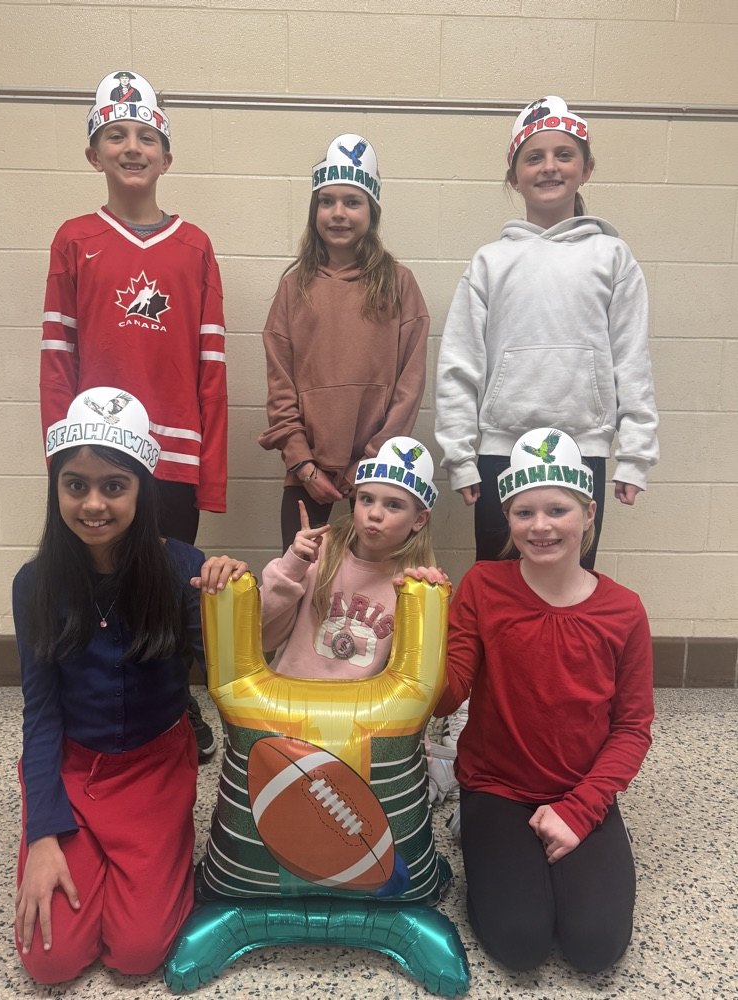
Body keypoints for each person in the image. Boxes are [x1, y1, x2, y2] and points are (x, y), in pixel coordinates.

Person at [434, 95, 659, 750]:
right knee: (495, 598)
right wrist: (460, 454)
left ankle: (555, 720)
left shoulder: (613, 260)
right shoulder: (490, 263)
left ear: (586, 169)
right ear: (515, 174)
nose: (550, 166)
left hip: (581, 455)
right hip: (500, 455)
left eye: (564, 155)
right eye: (534, 157)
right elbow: (459, 365)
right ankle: (476, 724)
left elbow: (632, 361)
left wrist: (634, 453)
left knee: (566, 598)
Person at [39, 69, 227, 759]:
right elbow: (57, 352)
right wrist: (63, 453)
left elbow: (212, 367)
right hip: (95, 455)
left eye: (146, 135)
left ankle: (174, 703)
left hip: (171, 457)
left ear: (167, 154)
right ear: (94, 153)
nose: (131, 147)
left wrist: (210, 475)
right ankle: (93, 703)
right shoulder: (72, 239)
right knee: (100, 583)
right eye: (115, 135)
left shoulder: (194, 245)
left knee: (165, 587)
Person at [434, 427, 654, 974]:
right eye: (523, 512)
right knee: (520, 944)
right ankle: (482, 833)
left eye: (557, 509)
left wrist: (581, 810)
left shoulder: (624, 611)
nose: (540, 527)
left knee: (595, 946)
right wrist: (415, 618)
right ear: (506, 519)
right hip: (496, 785)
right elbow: (445, 698)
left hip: (581, 788)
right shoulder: (483, 586)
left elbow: (632, 729)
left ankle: (572, 837)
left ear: (588, 512)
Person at [13, 387, 207, 985]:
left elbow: (232, 672)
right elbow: (40, 713)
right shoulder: (35, 583)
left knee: (138, 952)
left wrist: (242, 597)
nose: (93, 504)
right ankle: (83, 852)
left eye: (113, 487)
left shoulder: (182, 567)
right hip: (74, 771)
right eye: (76, 485)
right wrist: (42, 831)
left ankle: (131, 865)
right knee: (51, 961)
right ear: (57, 490)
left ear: (142, 492)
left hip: (153, 771)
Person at [257, 133, 429, 552]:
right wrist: (304, 463)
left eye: (352, 202)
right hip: (305, 474)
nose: (338, 213)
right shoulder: (293, 288)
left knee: (367, 596)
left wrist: (368, 464)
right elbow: (280, 389)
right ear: (314, 209)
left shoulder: (399, 284)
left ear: (371, 211)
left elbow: (409, 386)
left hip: (376, 481)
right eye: (326, 201)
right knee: (300, 588)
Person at [198, 437, 444, 678]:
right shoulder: (321, 551)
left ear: (419, 519)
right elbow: (264, 636)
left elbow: (417, 678)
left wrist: (429, 604)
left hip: (361, 715)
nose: (375, 514)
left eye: (393, 505)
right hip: (286, 701)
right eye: (366, 499)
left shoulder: (413, 582)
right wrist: (291, 567)